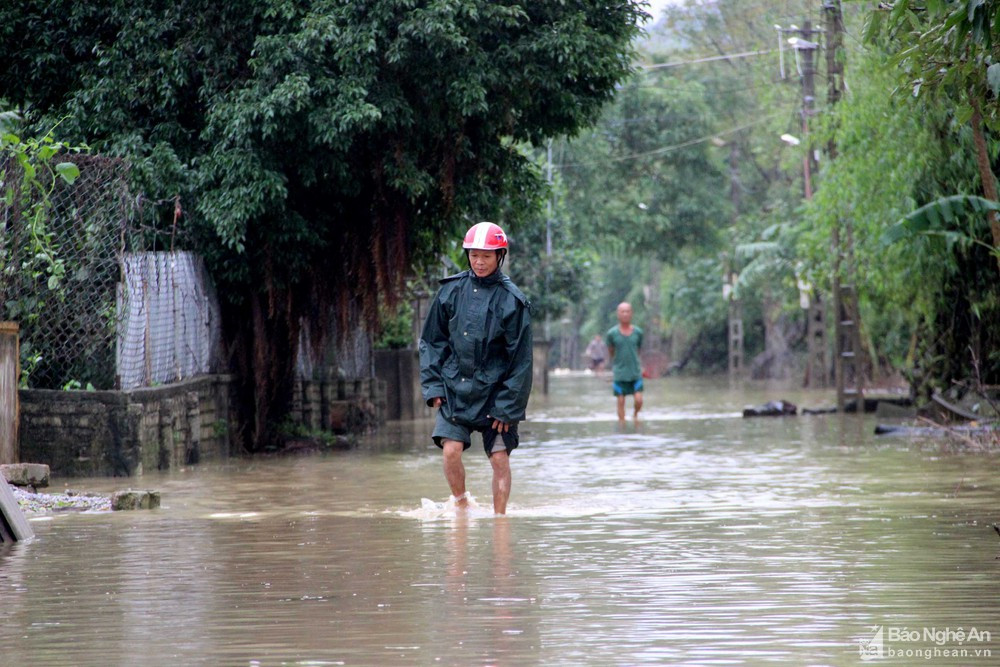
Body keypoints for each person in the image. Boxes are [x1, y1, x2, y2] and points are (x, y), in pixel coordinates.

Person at [419, 221, 533, 515]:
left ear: (500, 256)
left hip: (496, 395)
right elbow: (432, 341)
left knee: (499, 459)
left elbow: (521, 360)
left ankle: (500, 521)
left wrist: (508, 407)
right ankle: (461, 506)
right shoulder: (451, 291)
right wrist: (433, 387)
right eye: (474, 255)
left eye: (487, 256)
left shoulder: (513, 301)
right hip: (455, 389)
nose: (479, 262)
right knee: (451, 451)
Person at [605, 302, 643, 425]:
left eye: (627, 311)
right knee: (620, 400)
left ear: (631, 313)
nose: (625, 314)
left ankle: (635, 416)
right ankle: (622, 425)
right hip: (620, 373)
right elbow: (611, 351)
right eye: (622, 311)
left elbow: (638, 350)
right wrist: (616, 365)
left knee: (639, 399)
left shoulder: (638, 332)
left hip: (635, 372)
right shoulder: (612, 334)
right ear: (618, 314)